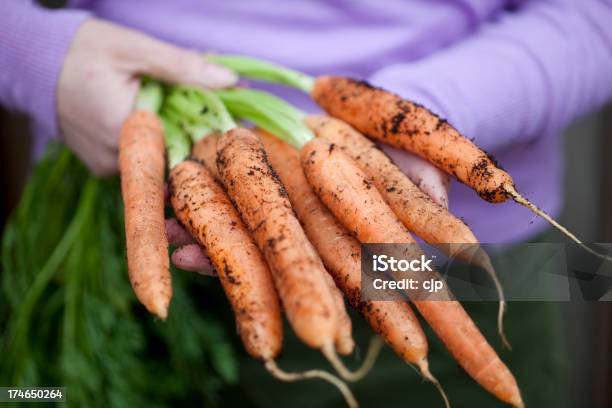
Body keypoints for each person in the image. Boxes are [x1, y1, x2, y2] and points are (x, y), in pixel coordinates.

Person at [1, 1, 611, 406]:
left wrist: (408, 111)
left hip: (466, 258)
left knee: (464, 337)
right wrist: (43, 56)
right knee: (36, 393)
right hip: (125, 238)